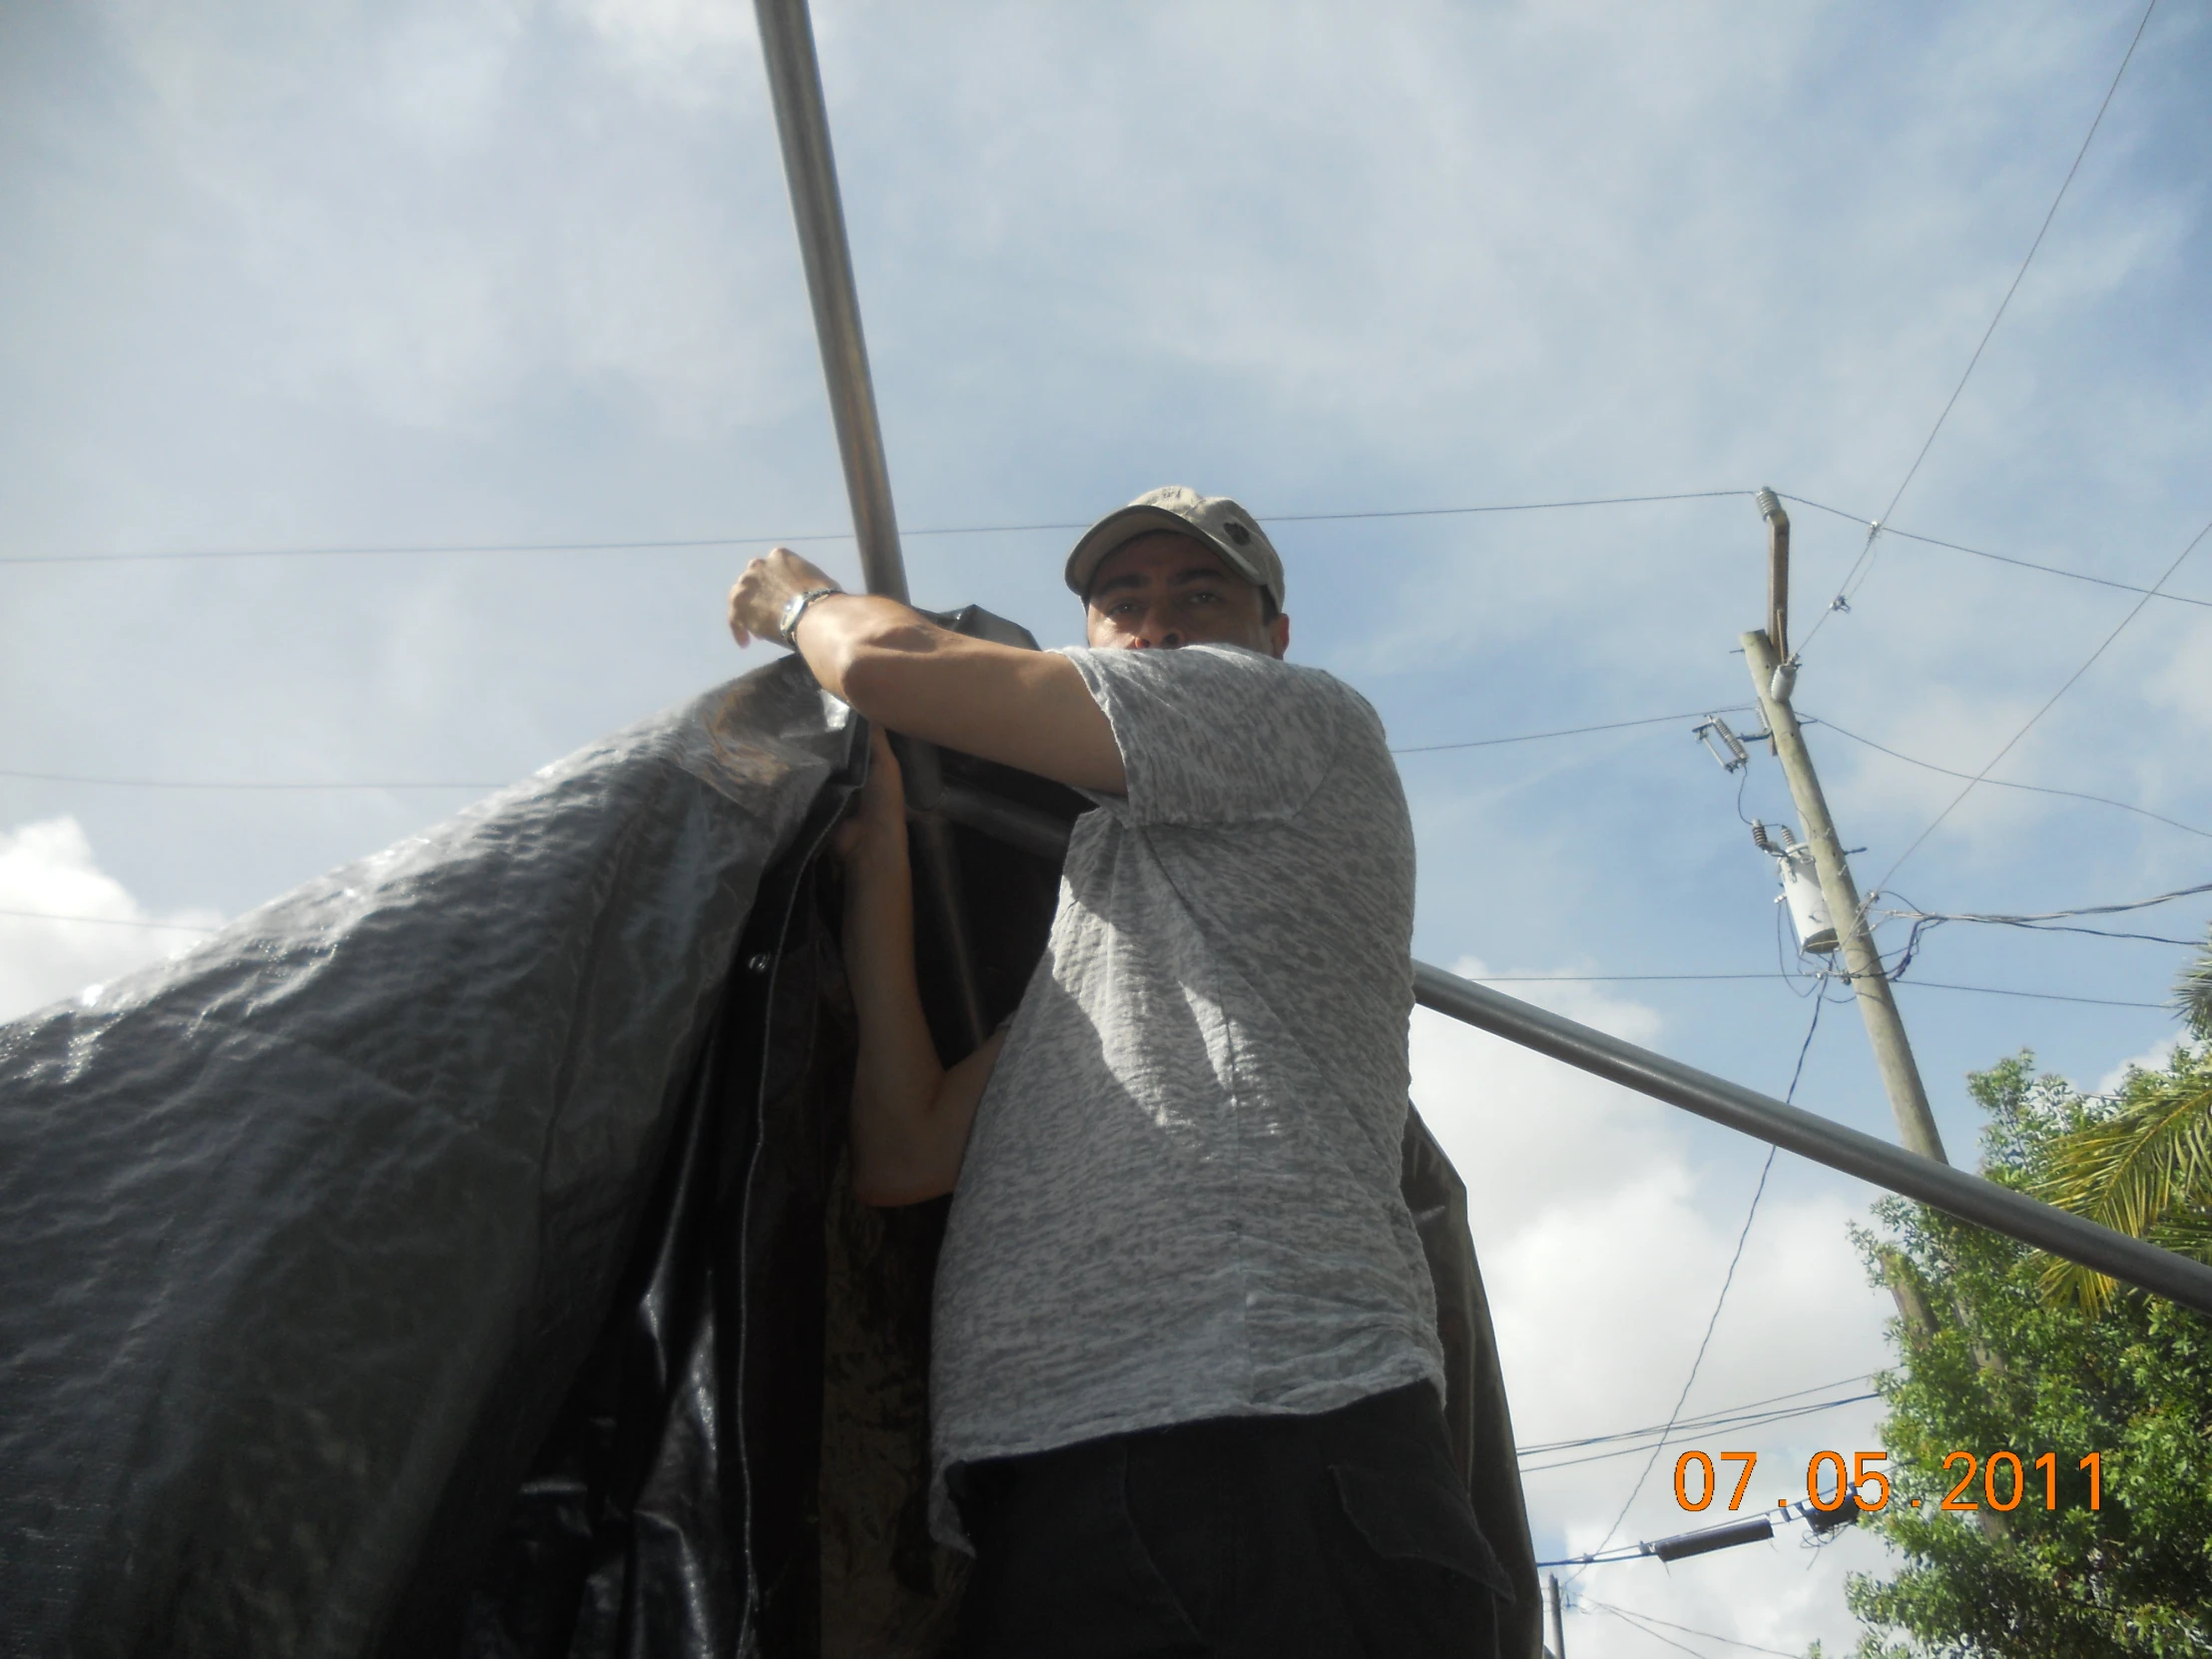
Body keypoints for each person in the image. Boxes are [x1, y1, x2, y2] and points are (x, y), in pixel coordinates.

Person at [728, 485, 1507, 1657]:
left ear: (1270, 636)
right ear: (1091, 632)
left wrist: (801, 602)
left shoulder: (1292, 718)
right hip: (1049, 1485)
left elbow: (887, 663)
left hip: (1274, 1429)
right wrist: (883, 863)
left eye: (1200, 595)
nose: (1155, 623)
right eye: (1120, 601)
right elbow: (905, 1150)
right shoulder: (1107, 947)